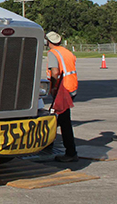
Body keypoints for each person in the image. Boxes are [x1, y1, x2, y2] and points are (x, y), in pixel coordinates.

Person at [46, 31, 78, 162]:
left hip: (62, 90)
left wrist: (53, 87)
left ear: (47, 42)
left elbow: (55, 72)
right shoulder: (66, 52)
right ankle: (48, 144)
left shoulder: (53, 53)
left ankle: (71, 152)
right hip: (71, 87)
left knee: (63, 121)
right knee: (58, 118)